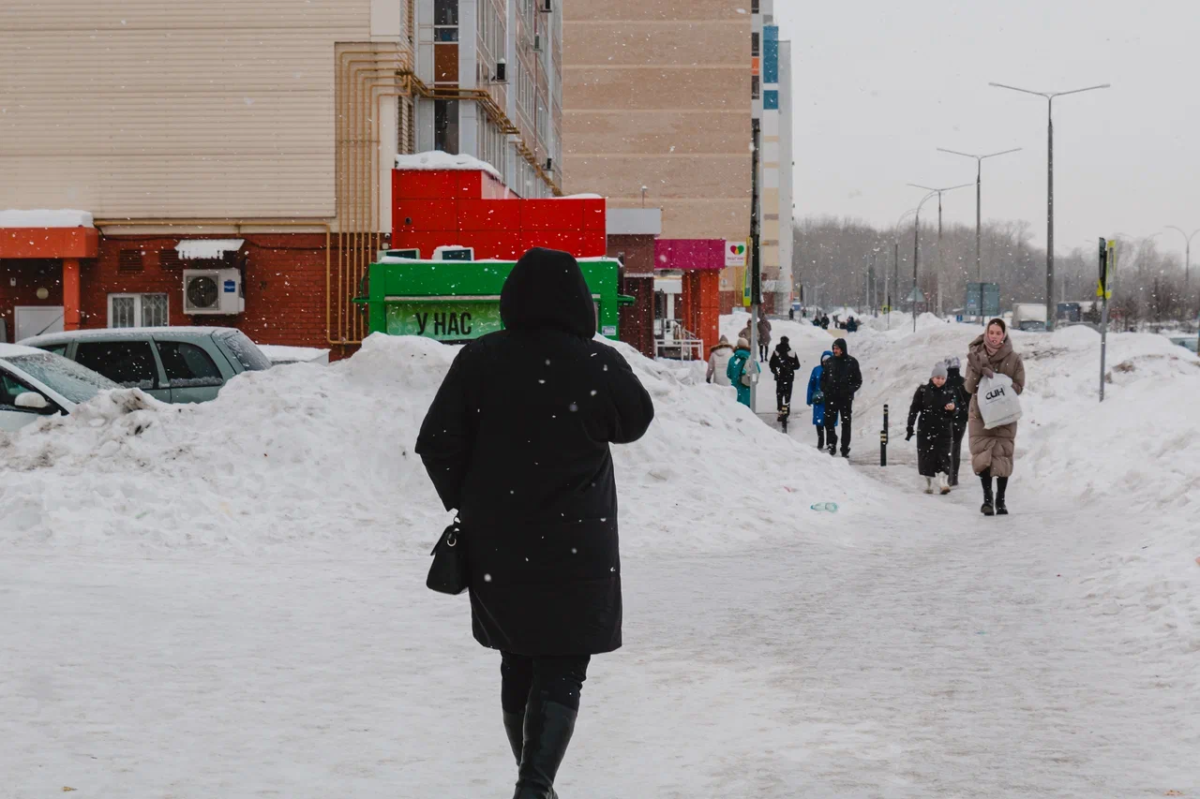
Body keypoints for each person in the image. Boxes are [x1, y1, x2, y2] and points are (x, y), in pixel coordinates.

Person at [416, 248, 655, 799]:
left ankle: (534, 785)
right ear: (579, 302)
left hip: (499, 545)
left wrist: (470, 498)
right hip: (578, 543)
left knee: (517, 656)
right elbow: (635, 421)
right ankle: (535, 785)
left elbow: (436, 443)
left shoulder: (479, 360)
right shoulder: (595, 364)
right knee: (564, 663)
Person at [965, 318, 1026, 516]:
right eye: (991, 332)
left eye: (998, 333)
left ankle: (1001, 500)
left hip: (1004, 413)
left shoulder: (1014, 358)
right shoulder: (975, 356)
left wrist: (1003, 388)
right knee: (982, 455)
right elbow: (968, 387)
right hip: (980, 414)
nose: (993, 336)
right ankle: (987, 499)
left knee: (1002, 456)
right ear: (986, 333)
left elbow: (1019, 385)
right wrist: (977, 370)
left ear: (1004, 335)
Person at [906, 361, 959, 495]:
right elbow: (914, 409)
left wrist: (952, 409)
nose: (940, 381)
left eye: (942, 378)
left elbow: (955, 409)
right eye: (937, 378)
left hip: (943, 428)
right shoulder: (923, 390)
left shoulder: (950, 391)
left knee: (944, 455)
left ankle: (943, 482)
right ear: (932, 377)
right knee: (926, 456)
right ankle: (928, 483)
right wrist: (910, 426)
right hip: (925, 428)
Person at [820, 337, 862, 458]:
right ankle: (832, 443)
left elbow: (858, 380)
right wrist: (825, 389)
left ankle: (845, 447)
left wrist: (849, 390)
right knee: (829, 422)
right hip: (831, 398)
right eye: (833, 348)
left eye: (837, 348)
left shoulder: (851, 362)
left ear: (842, 349)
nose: (834, 350)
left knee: (846, 423)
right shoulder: (829, 362)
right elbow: (823, 379)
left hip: (845, 399)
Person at [943, 356, 970, 486]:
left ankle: (945, 473)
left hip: (945, 419)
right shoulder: (965, 383)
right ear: (958, 367)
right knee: (956, 447)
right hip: (961, 420)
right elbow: (971, 403)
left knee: (944, 447)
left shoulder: (943, 383)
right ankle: (953, 478)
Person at [806, 351, 836, 450]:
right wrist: (809, 398)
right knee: (819, 422)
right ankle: (821, 440)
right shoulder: (816, 370)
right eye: (824, 360)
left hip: (830, 399)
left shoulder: (835, 369)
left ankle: (829, 441)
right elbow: (811, 384)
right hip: (818, 400)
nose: (825, 362)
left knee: (829, 422)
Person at [768, 336, 801, 414]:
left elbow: (771, 364)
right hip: (788, 376)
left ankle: (780, 410)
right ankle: (785, 410)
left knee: (779, 394)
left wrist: (776, 371)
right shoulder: (792, 352)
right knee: (787, 395)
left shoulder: (776, 352)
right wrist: (790, 368)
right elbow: (797, 365)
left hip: (779, 376)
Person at [726, 336, 755, 408]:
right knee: (748, 411)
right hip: (748, 388)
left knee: (737, 410)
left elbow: (728, 374)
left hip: (735, 389)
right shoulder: (751, 359)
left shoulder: (732, 359)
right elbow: (757, 372)